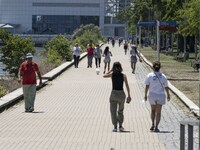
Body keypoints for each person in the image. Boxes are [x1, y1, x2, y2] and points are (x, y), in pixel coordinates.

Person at [103, 62, 131, 132]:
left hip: (114, 93)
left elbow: (104, 75)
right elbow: (127, 86)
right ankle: (120, 126)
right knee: (120, 110)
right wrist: (129, 95)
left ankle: (115, 126)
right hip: (121, 94)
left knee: (113, 111)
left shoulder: (112, 75)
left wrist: (110, 70)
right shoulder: (123, 75)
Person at [144, 61, 170, 132]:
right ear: (160, 67)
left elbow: (147, 85)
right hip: (160, 95)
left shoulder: (149, 75)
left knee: (153, 110)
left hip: (152, 94)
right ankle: (156, 126)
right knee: (158, 112)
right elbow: (166, 86)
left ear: (153, 67)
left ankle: (152, 124)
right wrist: (168, 94)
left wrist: (145, 95)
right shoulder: (163, 76)